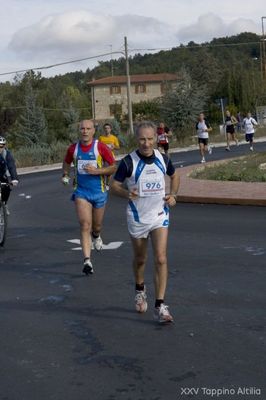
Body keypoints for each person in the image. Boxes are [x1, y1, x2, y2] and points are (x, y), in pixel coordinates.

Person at [110, 121, 180, 324]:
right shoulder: (128, 162)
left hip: (160, 215)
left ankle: (160, 305)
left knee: (160, 258)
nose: (146, 143)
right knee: (141, 259)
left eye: (150, 139)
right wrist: (126, 193)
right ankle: (140, 289)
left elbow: (175, 177)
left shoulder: (163, 158)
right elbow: (114, 186)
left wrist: (173, 195)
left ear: (156, 139)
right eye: (142, 139)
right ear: (136, 139)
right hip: (138, 217)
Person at [62, 120, 116, 275]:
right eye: (82, 128)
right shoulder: (74, 148)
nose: (85, 131)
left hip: (99, 192)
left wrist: (97, 171)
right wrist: (65, 174)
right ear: (79, 130)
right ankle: (87, 261)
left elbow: (113, 166)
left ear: (93, 131)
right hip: (81, 192)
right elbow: (66, 163)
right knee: (85, 224)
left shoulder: (100, 147)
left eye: (88, 128)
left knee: (96, 226)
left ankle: (97, 235)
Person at [0, 136, 19, 213]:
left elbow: (11, 166)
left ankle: (5, 204)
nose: (0, 148)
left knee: (6, 189)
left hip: (1, 175)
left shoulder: (7, 154)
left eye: (2, 146)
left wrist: (14, 179)